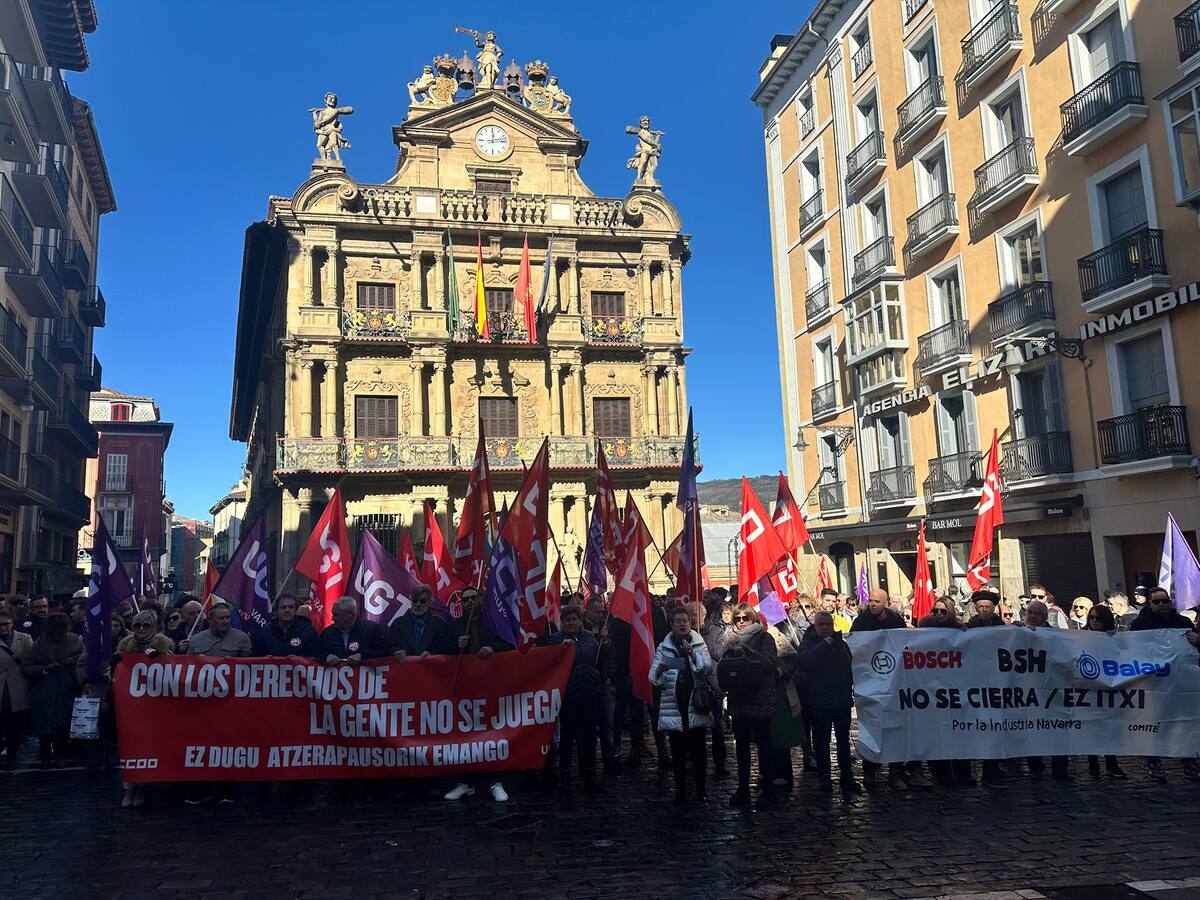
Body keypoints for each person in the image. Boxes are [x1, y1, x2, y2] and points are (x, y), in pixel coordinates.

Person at [443, 587, 514, 803]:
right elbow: (441, 650)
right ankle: (467, 783)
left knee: (491, 736)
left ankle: (494, 781)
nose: (470, 602)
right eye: (466, 600)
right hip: (466, 690)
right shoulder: (454, 626)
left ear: (480, 599)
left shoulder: (493, 622)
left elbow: (510, 644)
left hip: (490, 688)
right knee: (465, 737)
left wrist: (492, 647)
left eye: (473, 598)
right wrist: (456, 646)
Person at [850, 588, 923, 789]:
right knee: (871, 727)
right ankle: (870, 771)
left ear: (885, 603)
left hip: (893, 681)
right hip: (871, 681)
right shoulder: (861, 622)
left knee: (895, 727)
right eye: (870, 600)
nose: (872, 604)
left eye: (876, 601)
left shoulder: (895, 621)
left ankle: (896, 772)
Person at [1130, 586, 1198, 782]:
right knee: (1153, 723)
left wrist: (1197, 640)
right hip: (1154, 683)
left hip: (1180, 682)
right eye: (1156, 601)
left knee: (1184, 722)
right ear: (1149, 604)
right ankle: (1153, 762)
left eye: (1165, 601)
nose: (1161, 605)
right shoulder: (1140, 624)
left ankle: (1189, 760)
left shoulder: (1183, 622)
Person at [649, 605, 713, 803]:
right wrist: (660, 669)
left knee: (698, 750)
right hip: (674, 704)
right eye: (678, 621)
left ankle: (701, 789)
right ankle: (680, 791)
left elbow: (707, 667)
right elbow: (652, 677)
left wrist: (692, 654)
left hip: (695, 703)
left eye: (686, 621)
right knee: (677, 751)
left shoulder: (699, 643)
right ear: (672, 625)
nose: (683, 624)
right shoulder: (664, 646)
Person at [111, 610, 174, 806]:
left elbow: (175, 671)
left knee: (147, 747)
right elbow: (114, 671)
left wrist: (161, 658)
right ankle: (129, 789)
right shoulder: (125, 646)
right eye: (137, 625)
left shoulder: (163, 645)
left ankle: (143, 788)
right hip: (130, 706)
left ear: (153, 627)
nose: (140, 630)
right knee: (130, 747)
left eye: (145, 626)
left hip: (153, 706)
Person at [720, 603, 778, 809]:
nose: (742, 622)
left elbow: (770, 663)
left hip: (760, 699)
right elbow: (721, 664)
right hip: (739, 700)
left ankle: (768, 789)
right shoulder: (728, 639)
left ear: (753, 619)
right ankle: (743, 788)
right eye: (738, 618)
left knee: (764, 746)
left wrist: (747, 651)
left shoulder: (764, 638)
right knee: (742, 748)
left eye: (746, 618)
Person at [797, 611, 860, 794]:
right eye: (821, 624)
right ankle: (825, 777)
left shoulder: (841, 645)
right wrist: (825, 645)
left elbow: (851, 666)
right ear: (815, 626)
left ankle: (846, 775)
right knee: (821, 743)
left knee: (843, 741)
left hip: (840, 701)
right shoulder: (808, 644)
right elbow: (806, 662)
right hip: (819, 703)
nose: (825, 628)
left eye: (828, 624)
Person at [544, 605, 604, 795]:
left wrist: (606, 642)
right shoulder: (556, 639)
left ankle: (590, 774)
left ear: (580, 621)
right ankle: (566, 777)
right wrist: (560, 651)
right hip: (568, 696)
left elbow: (601, 659)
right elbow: (548, 663)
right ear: (563, 622)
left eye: (574, 619)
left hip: (590, 693)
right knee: (567, 739)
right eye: (568, 620)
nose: (571, 623)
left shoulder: (590, 638)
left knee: (589, 738)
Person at [918, 599, 972, 786]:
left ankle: (963, 772)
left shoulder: (959, 629)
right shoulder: (926, 625)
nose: (939, 614)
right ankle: (942, 773)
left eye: (943, 611)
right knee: (938, 732)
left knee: (959, 732)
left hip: (956, 687)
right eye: (936, 610)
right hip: (933, 688)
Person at [22, 614, 82, 768]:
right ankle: (45, 755)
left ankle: (60, 754)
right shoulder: (39, 644)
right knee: (44, 725)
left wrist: (72, 661)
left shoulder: (75, 641)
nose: (57, 637)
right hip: (44, 689)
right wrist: (44, 669)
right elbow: (27, 667)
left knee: (63, 723)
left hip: (66, 687)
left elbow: (83, 659)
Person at [1022, 601, 1072, 781]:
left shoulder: (1056, 636)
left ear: (1044, 617)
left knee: (1058, 729)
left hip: (1053, 690)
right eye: (1030, 612)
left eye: (1036, 613)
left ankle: (1060, 769)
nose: (1032, 616)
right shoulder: (1016, 634)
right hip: (1028, 690)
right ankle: (1035, 766)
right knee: (1032, 729)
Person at [966, 589, 1009, 788]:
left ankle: (995, 766)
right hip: (978, 684)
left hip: (999, 683)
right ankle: (987, 771)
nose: (984, 610)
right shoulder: (969, 627)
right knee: (987, 729)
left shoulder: (1001, 626)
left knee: (999, 728)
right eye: (980, 607)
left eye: (988, 607)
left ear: (994, 609)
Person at [1082, 603, 1126, 780]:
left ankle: (1111, 763)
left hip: (1108, 688)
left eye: (1098, 618)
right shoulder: (1080, 636)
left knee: (1108, 726)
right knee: (1090, 726)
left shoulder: (1113, 637)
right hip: (1087, 688)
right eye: (1091, 617)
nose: (1094, 621)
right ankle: (1093, 764)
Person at [582, 596, 621, 774]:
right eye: (596, 612)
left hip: (604, 680)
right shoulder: (581, 627)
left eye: (601, 611)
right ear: (588, 610)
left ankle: (609, 758)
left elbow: (612, 652)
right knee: (587, 725)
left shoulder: (607, 625)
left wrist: (606, 642)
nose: (600, 615)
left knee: (607, 722)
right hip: (586, 681)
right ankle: (586, 763)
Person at [696, 598, 729, 780]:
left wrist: (701, 644)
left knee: (717, 726)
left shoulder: (716, 632)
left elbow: (719, 654)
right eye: (690, 616)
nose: (693, 619)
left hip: (713, 684)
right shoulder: (684, 634)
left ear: (704, 615)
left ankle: (720, 763)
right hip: (696, 686)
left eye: (696, 616)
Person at [389, 585, 455, 663]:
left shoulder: (440, 623)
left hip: (431, 670)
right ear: (411, 601)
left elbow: (447, 647)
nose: (418, 605)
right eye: (415, 601)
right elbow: (388, 646)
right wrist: (396, 651)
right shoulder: (397, 623)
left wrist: (433, 653)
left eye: (422, 601)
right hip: (404, 671)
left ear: (430, 602)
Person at [315, 597, 390, 664]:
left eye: (336, 615)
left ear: (350, 614)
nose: (333, 618)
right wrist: (326, 657)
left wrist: (362, 656)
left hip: (363, 678)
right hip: (334, 678)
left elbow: (384, 652)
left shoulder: (372, 630)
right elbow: (315, 653)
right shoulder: (327, 633)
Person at [0, 611, 32, 770]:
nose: (3, 628)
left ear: (12, 623)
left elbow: (31, 660)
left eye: (6, 624)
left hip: (17, 687)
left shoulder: (25, 639)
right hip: (1, 687)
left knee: (14, 726)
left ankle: (12, 755)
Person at [252, 593, 319, 657]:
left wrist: (300, 659)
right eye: (283, 607)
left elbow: (317, 655)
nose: (287, 610)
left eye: (291, 607)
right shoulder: (264, 633)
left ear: (295, 610)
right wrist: (264, 659)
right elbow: (254, 657)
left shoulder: (308, 631)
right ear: (277, 611)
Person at [185, 603, 252, 658]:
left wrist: (234, 662)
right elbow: (188, 665)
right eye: (221, 618)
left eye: (227, 617)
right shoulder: (196, 640)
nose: (225, 621)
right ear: (210, 619)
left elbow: (249, 665)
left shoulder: (242, 638)